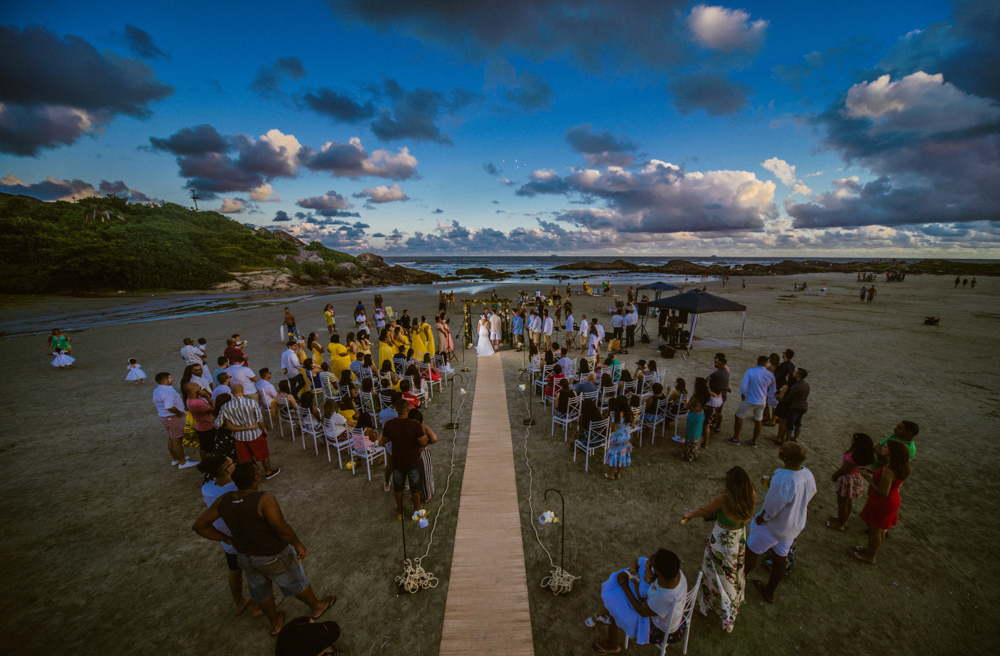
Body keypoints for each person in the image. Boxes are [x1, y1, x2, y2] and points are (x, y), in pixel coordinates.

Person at [192, 463, 336, 637]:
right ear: (256, 477)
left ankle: (275, 624)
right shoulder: (264, 498)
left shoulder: (223, 500)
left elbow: (199, 526)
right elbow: (281, 528)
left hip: (245, 556)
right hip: (272, 554)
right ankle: (317, 607)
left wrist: (227, 539)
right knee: (294, 581)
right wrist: (298, 544)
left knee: (260, 591)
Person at [682, 466, 756, 632]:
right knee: (732, 571)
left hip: (721, 541)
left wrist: (689, 515)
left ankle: (709, 603)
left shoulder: (723, 500)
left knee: (713, 572)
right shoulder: (751, 494)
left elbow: (704, 511)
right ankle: (732, 601)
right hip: (738, 537)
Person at [745, 442, 816, 603]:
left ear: (786, 457)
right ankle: (769, 592)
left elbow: (772, 507)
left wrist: (760, 518)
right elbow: (809, 493)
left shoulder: (783, 480)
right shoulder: (807, 473)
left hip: (773, 528)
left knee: (750, 553)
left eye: (783, 449)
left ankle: (734, 583)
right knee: (780, 558)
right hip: (792, 528)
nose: (780, 449)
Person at [585, 549, 688, 654]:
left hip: (659, 628)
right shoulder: (676, 573)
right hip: (669, 614)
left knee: (615, 602)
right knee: (618, 596)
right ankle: (604, 617)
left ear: (657, 572)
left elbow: (641, 611)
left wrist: (624, 584)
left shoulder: (664, 596)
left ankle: (613, 644)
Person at [197, 455, 258, 617]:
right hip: (243, 537)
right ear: (228, 470)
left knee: (234, 569)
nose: (235, 464)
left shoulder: (207, 488)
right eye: (232, 463)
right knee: (254, 573)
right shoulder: (236, 489)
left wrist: (225, 538)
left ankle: (239, 603)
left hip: (226, 538)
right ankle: (258, 606)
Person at [853, 440, 910, 564]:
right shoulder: (898, 467)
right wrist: (872, 472)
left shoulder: (889, 470)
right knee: (881, 529)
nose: (882, 448)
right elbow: (887, 480)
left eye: (885, 447)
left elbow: (883, 492)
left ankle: (870, 556)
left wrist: (868, 478)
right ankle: (871, 550)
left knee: (875, 530)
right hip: (891, 501)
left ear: (892, 453)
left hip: (883, 503)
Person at [214, 383, 280, 480]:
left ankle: (251, 477)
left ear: (232, 392)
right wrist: (263, 429)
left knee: (245, 458)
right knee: (263, 453)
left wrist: (229, 420)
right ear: (242, 391)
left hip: (239, 437)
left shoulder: (226, 406)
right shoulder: (251, 402)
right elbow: (260, 419)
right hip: (254, 433)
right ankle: (268, 472)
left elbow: (217, 424)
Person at [379, 399, 429, 519]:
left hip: (397, 460)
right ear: (408, 409)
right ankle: (416, 511)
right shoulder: (414, 424)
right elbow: (423, 442)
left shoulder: (389, 424)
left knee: (398, 487)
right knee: (415, 487)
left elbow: (384, 440)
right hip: (413, 459)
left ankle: (400, 511)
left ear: (396, 410)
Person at [826, 433, 875, 530]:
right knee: (848, 501)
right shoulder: (860, 455)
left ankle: (840, 524)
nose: (851, 441)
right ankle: (843, 519)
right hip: (854, 478)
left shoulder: (852, 456)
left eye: (853, 440)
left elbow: (843, 470)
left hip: (846, 480)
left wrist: (834, 476)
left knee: (842, 502)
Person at [724, 356, 776, 448]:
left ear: (758, 362)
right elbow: (773, 390)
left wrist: (743, 394)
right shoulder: (770, 374)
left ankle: (736, 438)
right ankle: (754, 441)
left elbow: (744, 385)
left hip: (750, 399)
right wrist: (766, 395)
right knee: (758, 420)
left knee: (739, 416)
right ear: (766, 363)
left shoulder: (750, 371)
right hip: (762, 401)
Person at [152, 372, 199, 469]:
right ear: (165, 381)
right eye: (170, 378)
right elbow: (169, 406)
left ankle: (175, 458)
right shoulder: (168, 391)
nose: (172, 379)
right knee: (177, 440)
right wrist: (179, 413)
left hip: (164, 417)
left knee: (171, 438)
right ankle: (183, 462)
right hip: (172, 418)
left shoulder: (157, 389)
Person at [274, 616, 347, 656]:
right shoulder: (314, 650)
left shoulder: (300, 629)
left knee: (340, 647)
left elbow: (289, 627)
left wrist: (308, 619)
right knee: (341, 650)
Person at [681, 378, 709, 461]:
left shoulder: (695, 396)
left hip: (693, 416)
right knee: (697, 434)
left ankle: (689, 453)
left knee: (690, 434)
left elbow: (687, 406)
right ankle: (695, 453)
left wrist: (691, 407)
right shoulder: (706, 395)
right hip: (701, 415)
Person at [604, 402, 633, 480]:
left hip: (617, 438)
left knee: (613, 455)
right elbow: (632, 425)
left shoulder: (616, 415)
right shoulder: (629, 414)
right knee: (622, 454)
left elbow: (614, 429)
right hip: (626, 437)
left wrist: (612, 418)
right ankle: (618, 474)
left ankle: (611, 474)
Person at [781, 369, 810, 441]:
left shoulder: (796, 386)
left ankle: (787, 441)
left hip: (795, 407)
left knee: (790, 424)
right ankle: (795, 438)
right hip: (804, 406)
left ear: (798, 375)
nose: (793, 373)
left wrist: (779, 398)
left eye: (795, 372)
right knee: (798, 423)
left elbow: (787, 398)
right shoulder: (806, 384)